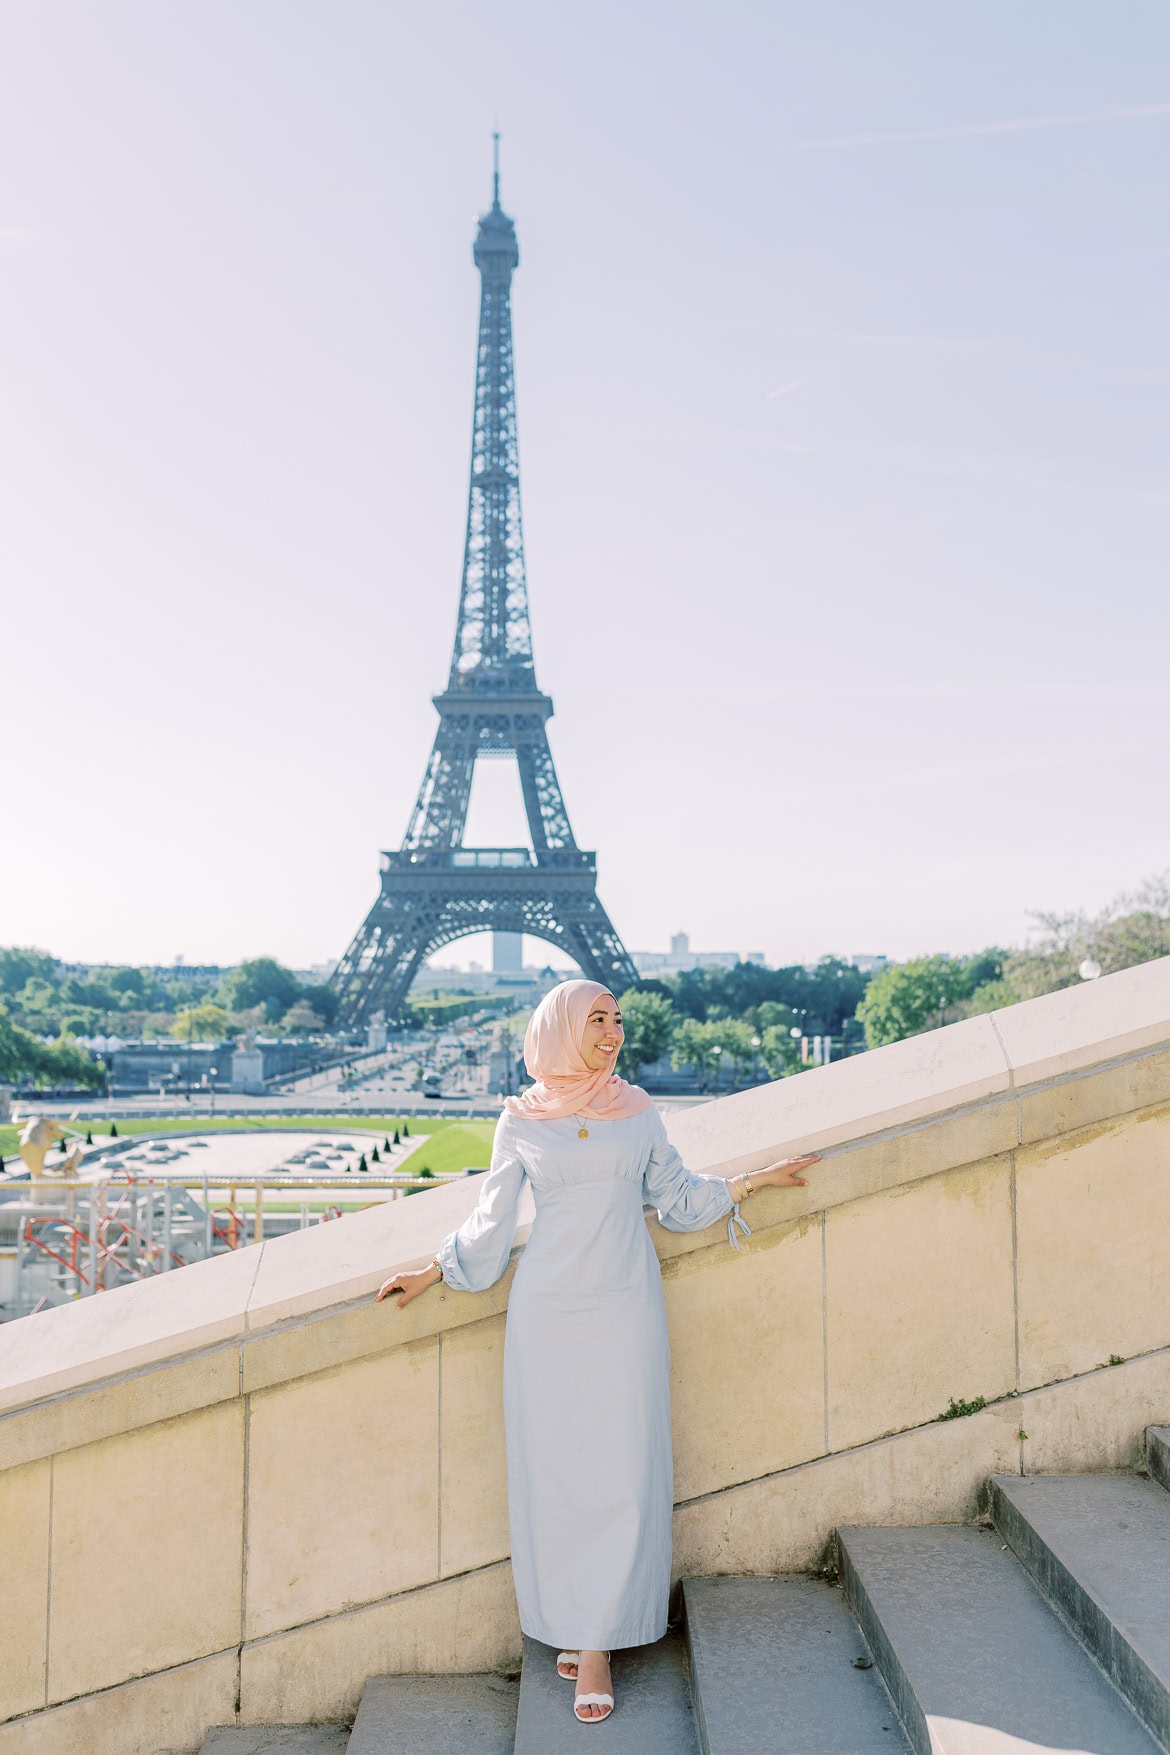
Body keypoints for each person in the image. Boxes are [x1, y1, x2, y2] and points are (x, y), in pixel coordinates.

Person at [376, 979, 817, 1724]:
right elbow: (491, 1222)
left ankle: (598, 1641)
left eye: (617, 1019)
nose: (612, 1032)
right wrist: (433, 1269)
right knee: (557, 1474)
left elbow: (677, 1198)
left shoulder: (636, 1110)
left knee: (622, 1467)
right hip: (548, 1314)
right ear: (559, 1029)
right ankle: (580, 1626)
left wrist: (752, 1182)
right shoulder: (520, 1119)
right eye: (597, 1020)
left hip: (624, 1307)